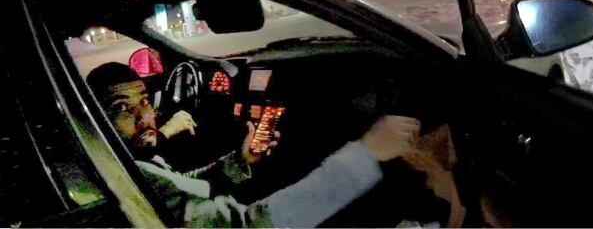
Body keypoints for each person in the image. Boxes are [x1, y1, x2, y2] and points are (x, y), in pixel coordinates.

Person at [87, 62, 421, 227]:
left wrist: (240, 159)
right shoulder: (123, 174)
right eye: (121, 108)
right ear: (92, 118)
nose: (142, 116)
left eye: (144, 101)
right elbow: (251, 223)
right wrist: (366, 154)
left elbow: (182, 188)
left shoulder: (125, 162)